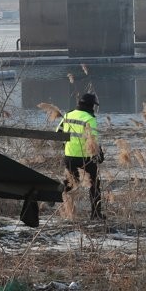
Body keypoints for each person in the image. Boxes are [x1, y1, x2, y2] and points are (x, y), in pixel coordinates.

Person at [57, 92, 105, 220]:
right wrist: (99, 154)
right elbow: (92, 140)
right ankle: (96, 214)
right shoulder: (89, 119)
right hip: (85, 157)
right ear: (90, 105)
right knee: (94, 185)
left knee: (71, 182)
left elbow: (58, 132)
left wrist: (66, 145)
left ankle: (54, 194)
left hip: (69, 156)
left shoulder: (68, 115)